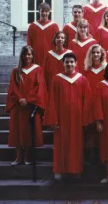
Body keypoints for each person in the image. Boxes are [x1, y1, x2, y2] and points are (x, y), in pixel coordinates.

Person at [44, 52, 91, 180]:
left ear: (76, 64)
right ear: (63, 63)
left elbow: (86, 101)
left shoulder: (82, 79)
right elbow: (52, 100)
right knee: (61, 144)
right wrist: (53, 120)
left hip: (77, 118)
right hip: (61, 118)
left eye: (71, 62)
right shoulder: (57, 79)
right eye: (67, 62)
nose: (69, 64)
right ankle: (60, 170)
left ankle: (75, 170)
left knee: (76, 145)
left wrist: (85, 120)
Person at [6, 46, 46, 166]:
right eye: (25, 54)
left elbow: (40, 88)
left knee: (29, 131)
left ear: (33, 56)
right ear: (22, 56)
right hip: (18, 106)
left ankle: (28, 157)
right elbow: (12, 88)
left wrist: (28, 100)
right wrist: (20, 99)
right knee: (17, 132)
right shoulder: (16, 71)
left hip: (30, 106)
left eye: (30, 54)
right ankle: (18, 157)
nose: (28, 57)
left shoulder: (37, 69)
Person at [83, 44, 107, 163]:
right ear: (90, 55)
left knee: (102, 130)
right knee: (90, 129)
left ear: (102, 54)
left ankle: (101, 155)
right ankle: (91, 155)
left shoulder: (106, 71)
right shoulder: (86, 71)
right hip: (89, 104)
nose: (96, 55)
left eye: (98, 53)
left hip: (103, 104)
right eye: (94, 53)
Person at [27, 2, 60, 67]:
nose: (44, 13)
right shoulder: (32, 26)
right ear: (39, 11)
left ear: (49, 12)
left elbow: (58, 43)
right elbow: (29, 43)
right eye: (42, 11)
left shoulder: (54, 26)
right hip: (36, 56)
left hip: (51, 55)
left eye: (46, 11)